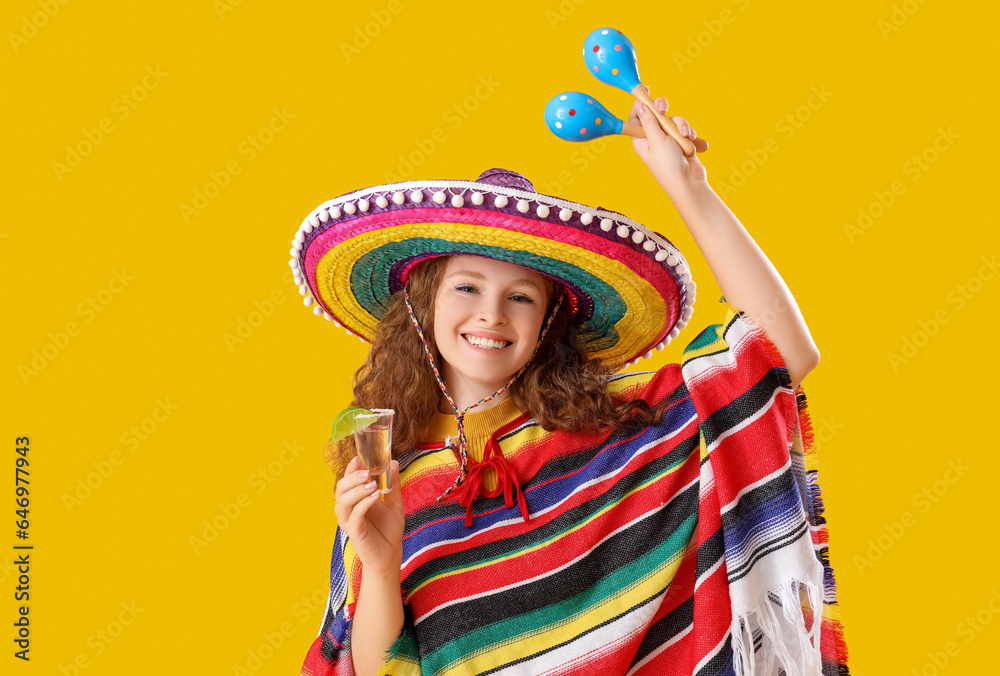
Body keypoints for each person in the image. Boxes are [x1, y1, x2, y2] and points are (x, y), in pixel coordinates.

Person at [290, 93, 849, 676]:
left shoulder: (619, 430)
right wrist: (379, 567)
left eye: (521, 296)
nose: (491, 314)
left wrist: (688, 187)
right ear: (423, 304)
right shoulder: (388, 472)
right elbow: (372, 669)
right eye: (466, 288)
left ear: (550, 320)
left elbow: (780, 350)